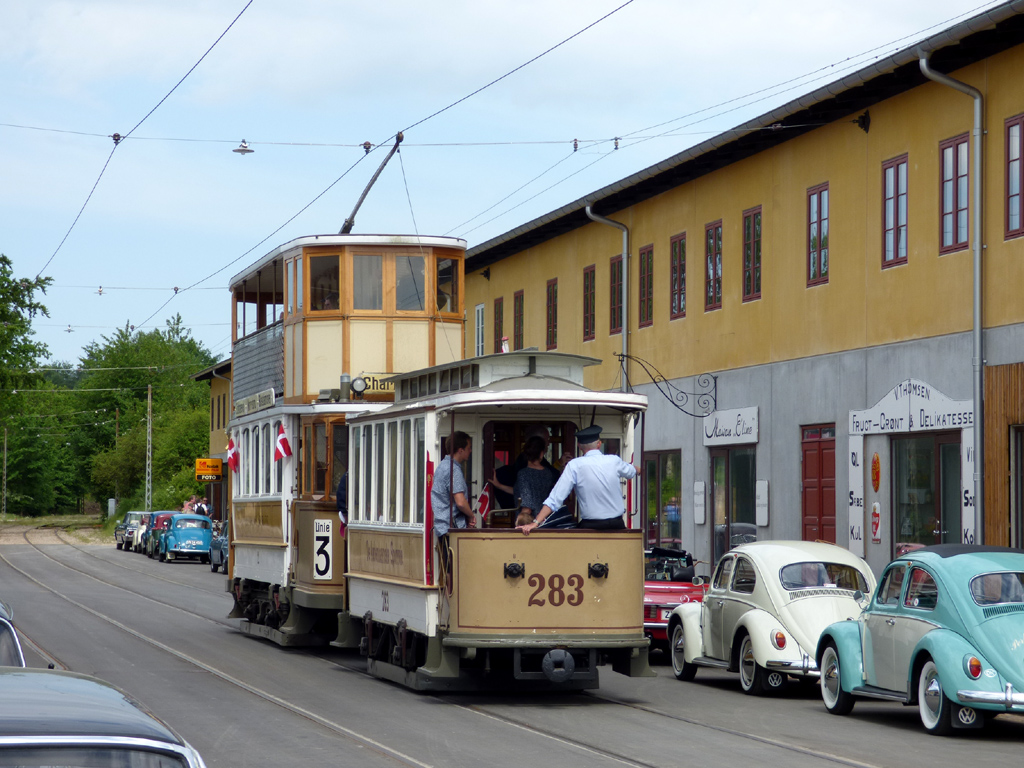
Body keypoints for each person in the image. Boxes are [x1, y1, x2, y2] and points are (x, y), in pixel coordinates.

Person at [518, 425, 637, 534]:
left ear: (579, 446)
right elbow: (631, 472)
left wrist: (536, 522)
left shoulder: (575, 465)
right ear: (599, 444)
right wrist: (638, 469)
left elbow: (555, 498)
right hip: (617, 524)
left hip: (592, 526)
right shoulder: (614, 460)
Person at [431, 432, 476, 583]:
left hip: (442, 525)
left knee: (448, 568)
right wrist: (471, 515)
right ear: (460, 450)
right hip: (451, 527)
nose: (470, 450)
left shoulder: (442, 466)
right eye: (469, 447)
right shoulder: (453, 470)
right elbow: (460, 502)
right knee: (453, 570)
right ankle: (455, 604)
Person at [512, 435, 559, 521]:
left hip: (530, 522)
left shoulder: (523, 474)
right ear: (541, 454)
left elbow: (527, 507)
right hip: (545, 518)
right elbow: (518, 491)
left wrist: (521, 521)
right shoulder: (548, 473)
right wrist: (499, 485)